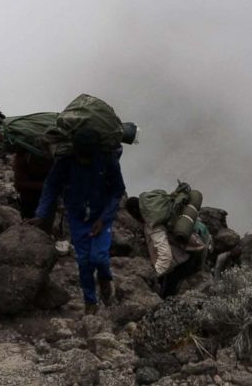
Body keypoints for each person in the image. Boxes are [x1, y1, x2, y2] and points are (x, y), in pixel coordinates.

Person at [32, 132, 126, 314]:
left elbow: (117, 190)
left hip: (101, 216)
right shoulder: (65, 161)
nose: (84, 161)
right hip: (77, 216)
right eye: (80, 156)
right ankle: (90, 302)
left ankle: (105, 279)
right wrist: (41, 214)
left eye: (87, 157)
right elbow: (51, 185)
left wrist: (104, 218)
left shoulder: (107, 159)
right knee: (84, 262)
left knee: (99, 258)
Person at [124, 196, 209, 298]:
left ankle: (169, 304)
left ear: (135, 213)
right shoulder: (159, 213)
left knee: (169, 286)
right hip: (198, 248)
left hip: (192, 256)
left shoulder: (156, 223)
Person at [13, 148, 55, 220]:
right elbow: (19, 184)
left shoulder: (52, 157)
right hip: (30, 200)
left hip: (44, 200)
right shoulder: (23, 156)